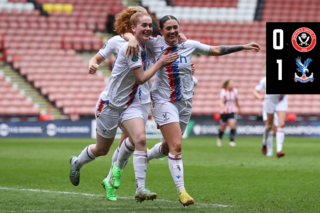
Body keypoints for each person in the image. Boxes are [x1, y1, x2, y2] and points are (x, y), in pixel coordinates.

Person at [124, 15, 260, 206]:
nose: (172, 31)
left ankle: (146, 156)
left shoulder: (189, 45)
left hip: (185, 103)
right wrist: (130, 38)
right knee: (177, 146)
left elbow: (216, 50)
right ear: (161, 31)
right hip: (163, 101)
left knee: (166, 147)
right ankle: (182, 191)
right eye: (168, 28)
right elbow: (129, 34)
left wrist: (243, 46)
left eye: (175, 27)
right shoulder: (153, 44)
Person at [69, 11, 179, 203]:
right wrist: (93, 64)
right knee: (102, 149)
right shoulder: (121, 43)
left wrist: (181, 40)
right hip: (111, 105)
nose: (147, 28)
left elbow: (170, 40)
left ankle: (135, 186)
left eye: (149, 24)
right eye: (142, 24)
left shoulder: (149, 43)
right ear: (132, 26)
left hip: (135, 103)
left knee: (139, 140)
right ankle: (77, 163)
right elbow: (97, 58)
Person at [253, 76, 278, 157]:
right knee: (269, 126)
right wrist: (260, 97)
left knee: (275, 130)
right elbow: (255, 91)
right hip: (267, 105)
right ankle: (269, 150)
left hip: (278, 105)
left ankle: (264, 141)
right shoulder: (264, 80)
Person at [262, 93, 287, 158]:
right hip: (271, 101)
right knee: (269, 126)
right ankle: (264, 142)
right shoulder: (264, 82)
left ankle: (279, 151)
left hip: (281, 100)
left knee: (281, 124)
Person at [217, 80, 241, 147]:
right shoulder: (222, 91)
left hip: (232, 111)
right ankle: (219, 138)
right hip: (224, 112)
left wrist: (239, 108)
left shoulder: (235, 91)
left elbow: (236, 100)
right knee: (222, 128)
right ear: (227, 85)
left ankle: (231, 141)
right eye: (231, 83)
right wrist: (224, 109)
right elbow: (220, 102)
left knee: (232, 125)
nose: (233, 84)